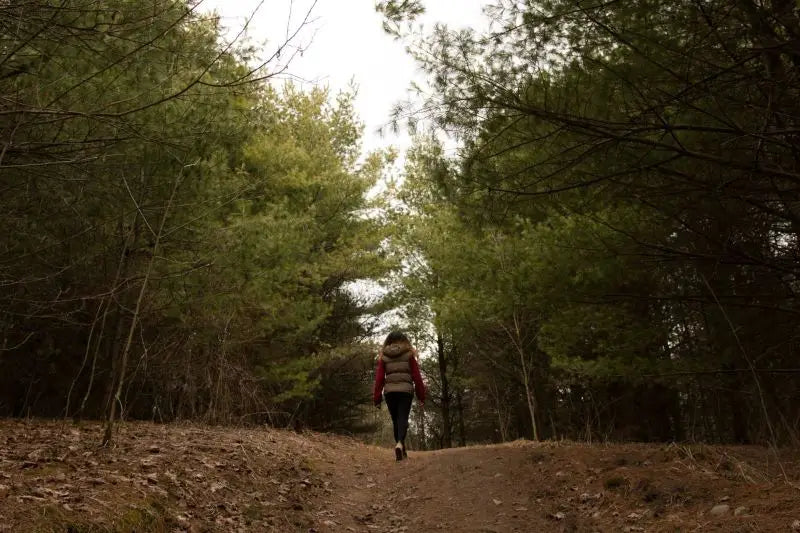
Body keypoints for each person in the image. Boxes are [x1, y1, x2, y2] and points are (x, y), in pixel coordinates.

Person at [372, 331, 426, 461]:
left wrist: (377, 398)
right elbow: (417, 377)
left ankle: (401, 447)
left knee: (396, 419)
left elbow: (379, 378)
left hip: (390, 392)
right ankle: (400, 443)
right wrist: (421, 396)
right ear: (404, 340)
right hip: (405, 392)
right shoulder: (409, 355)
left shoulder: (384, 356)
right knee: (402, 418)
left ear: (388, 341)